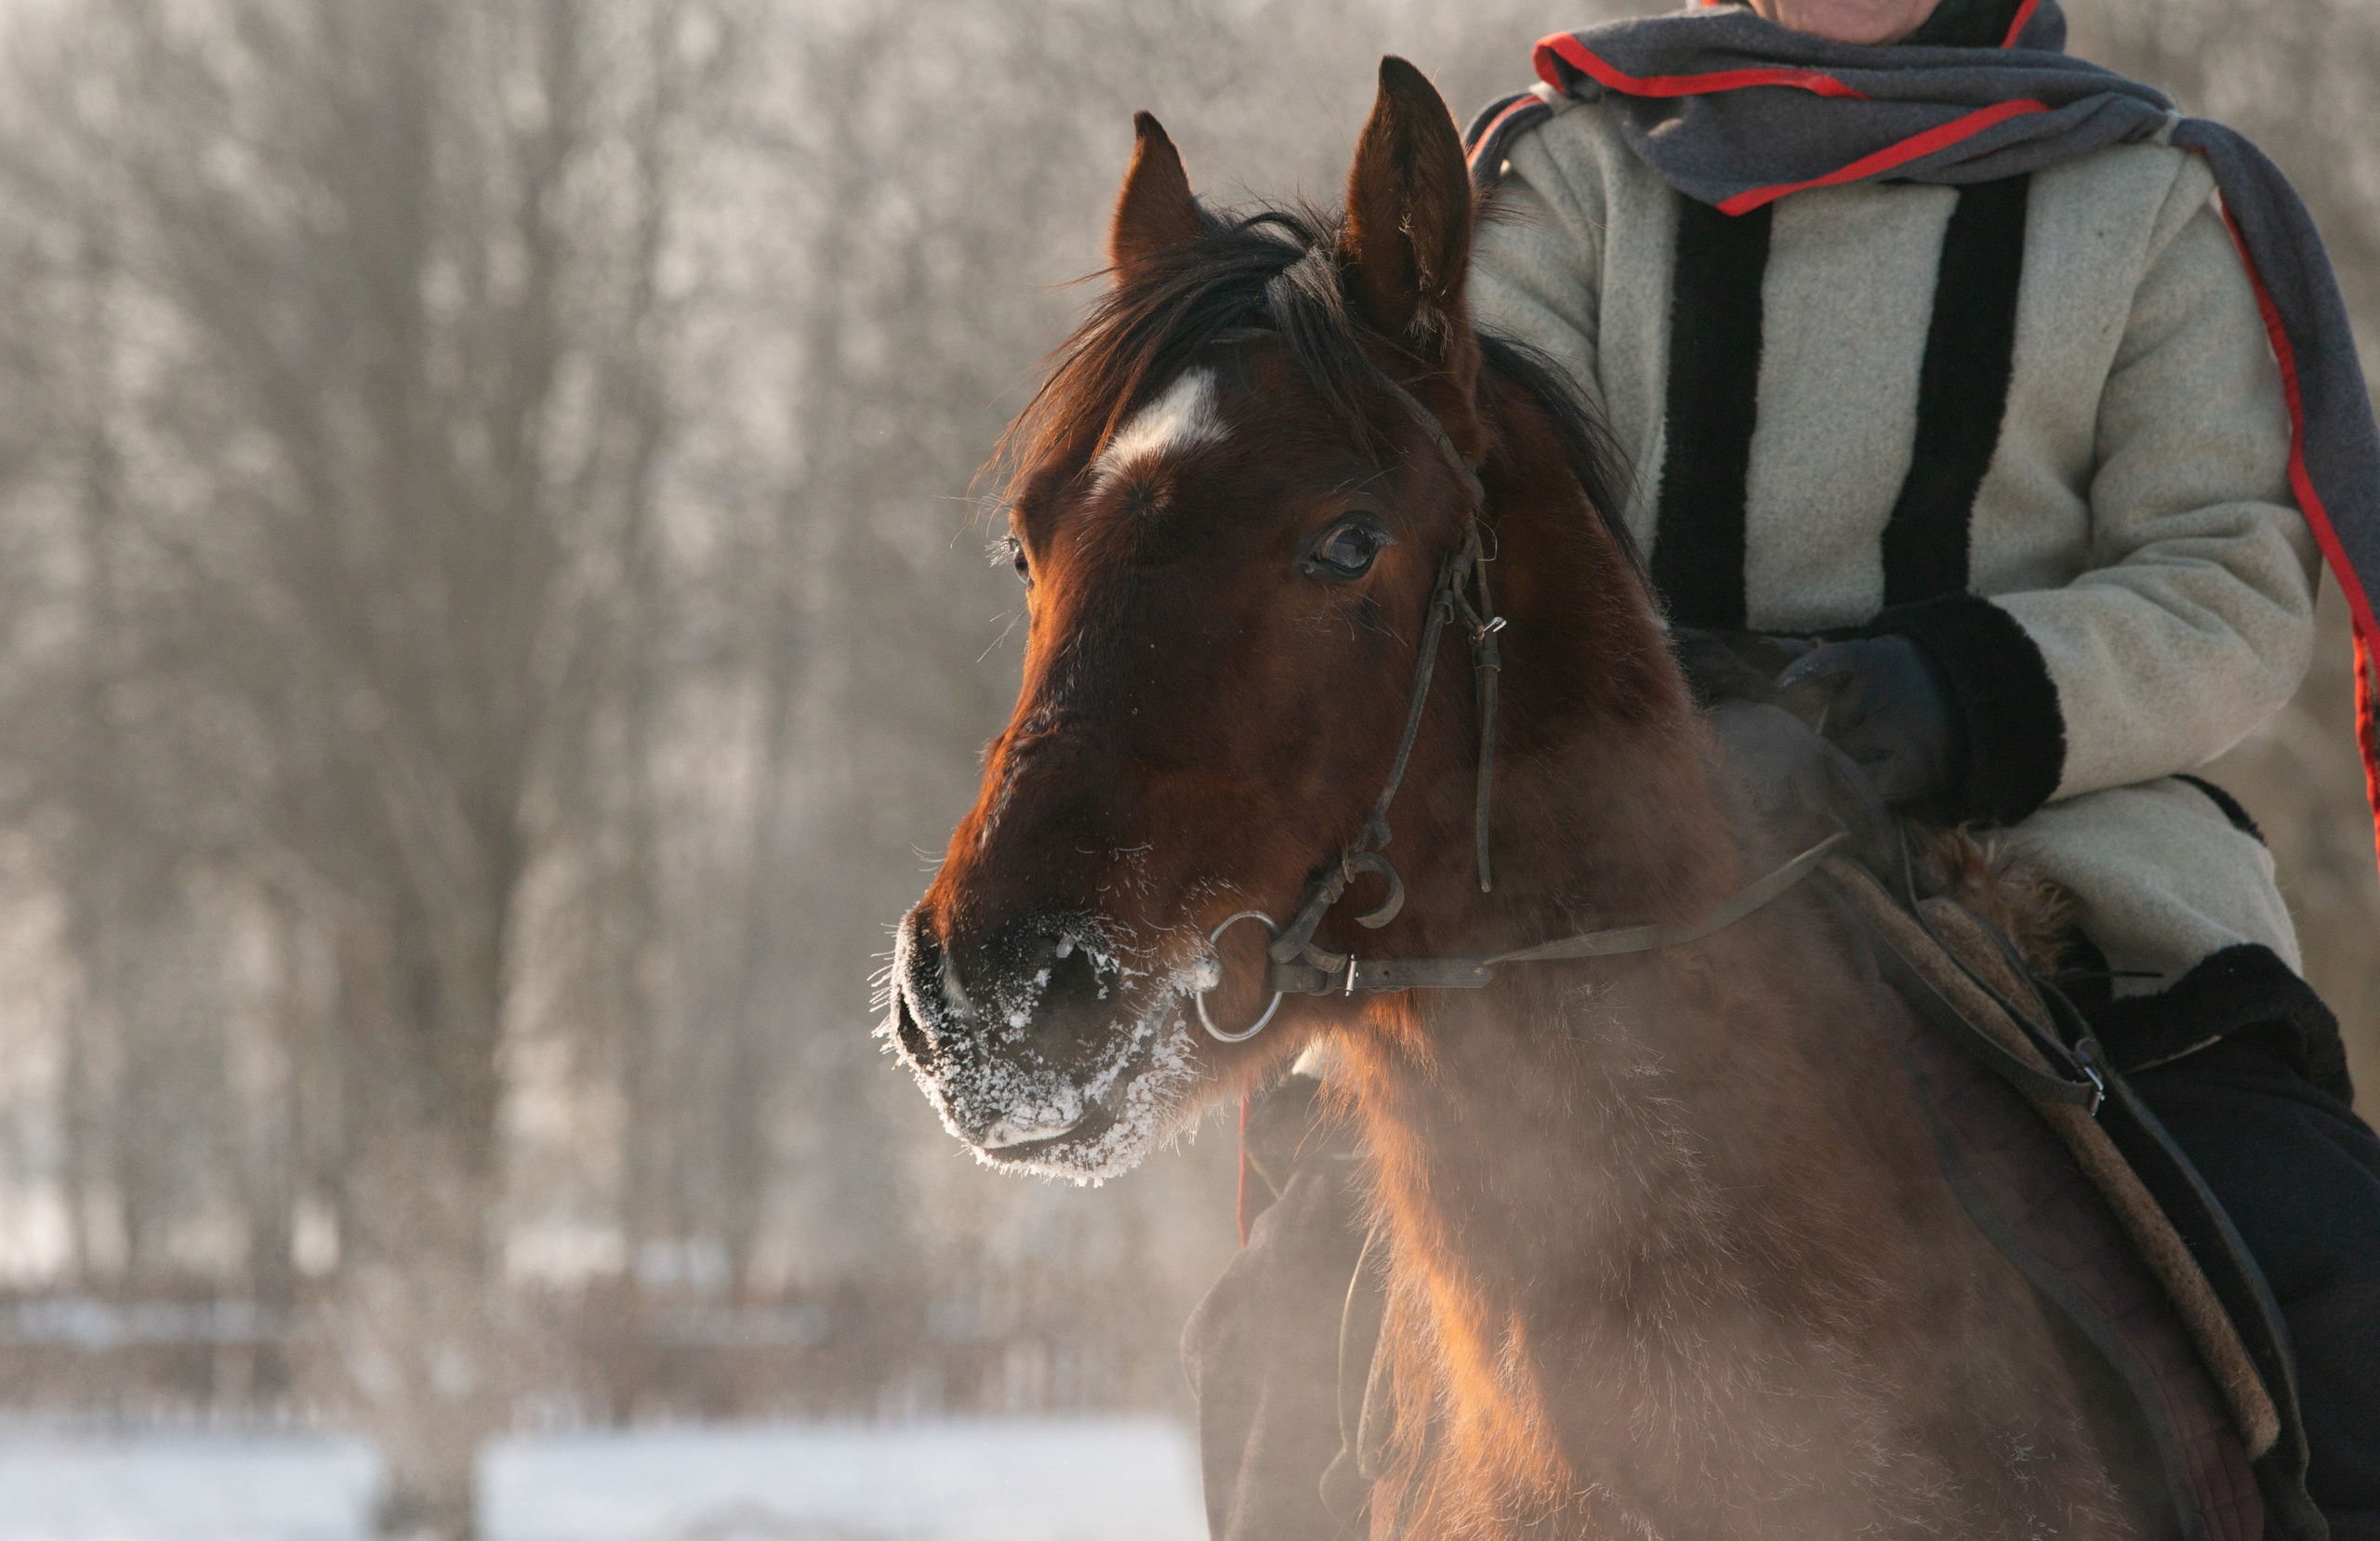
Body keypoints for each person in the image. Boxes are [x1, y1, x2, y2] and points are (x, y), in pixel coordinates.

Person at [1184, 1, 2380, 1536]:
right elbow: (1475, 520)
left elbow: (2224, 589)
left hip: (2056, 861)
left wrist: (1936, 700)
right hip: (1593, 872)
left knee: (2338, 1285)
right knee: (1283, 1329)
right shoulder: (1570, 179)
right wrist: (1666, 730)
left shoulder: (2151, 202)